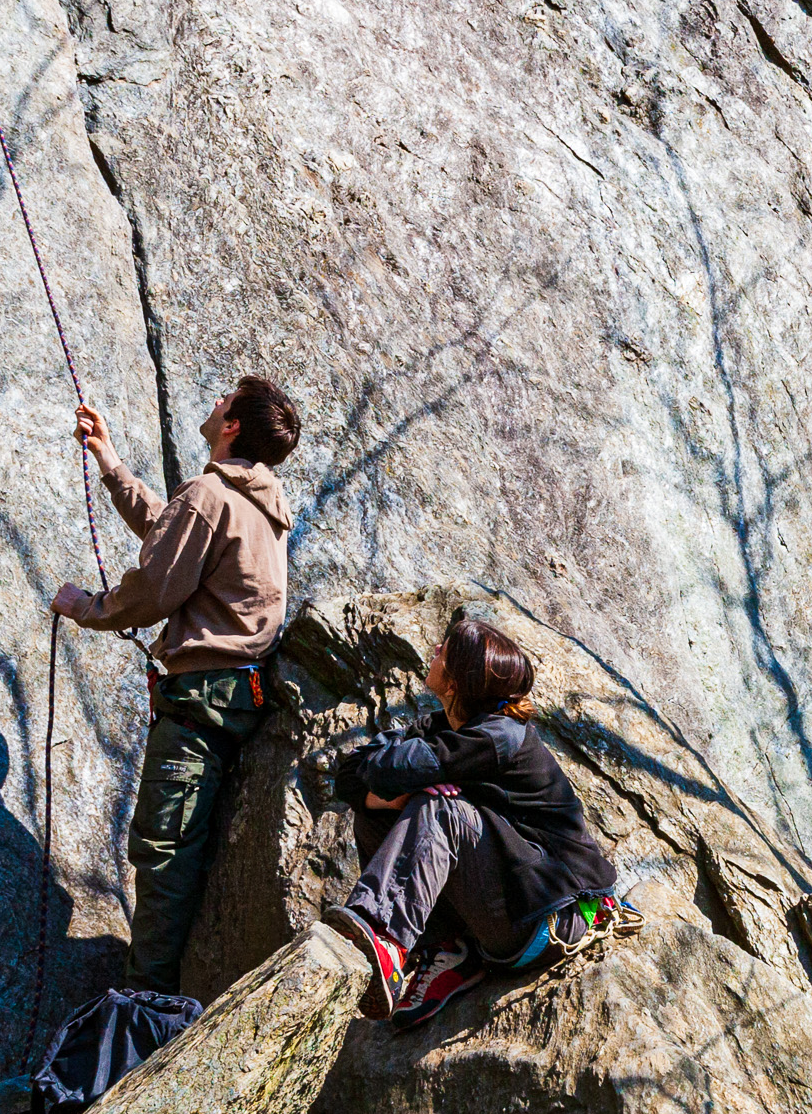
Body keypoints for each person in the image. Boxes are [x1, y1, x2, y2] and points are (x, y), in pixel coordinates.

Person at [52, 378, 298, 995]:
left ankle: (146, 1009)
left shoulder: (212, 495)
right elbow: (176, 538)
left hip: (200, 707)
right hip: (234, 699)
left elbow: (157, 587)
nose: (214, 401)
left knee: (164, 853)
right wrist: (110, 463)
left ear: (232, 426)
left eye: (224, 400)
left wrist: (86, 606)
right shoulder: (260, 505)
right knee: (184, 853)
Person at [331, 615, 619, 1024]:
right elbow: (349, 774)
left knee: (441, 809)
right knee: (374, 815)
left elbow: (386, 769)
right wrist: (384, 800)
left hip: (547, 916)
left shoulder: (498, 736)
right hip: (503, 905)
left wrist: (401, 786)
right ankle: (448, 953)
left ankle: (386, 938)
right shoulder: (442, 726)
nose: (434, 651)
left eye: (443, 652)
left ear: (454, 683)